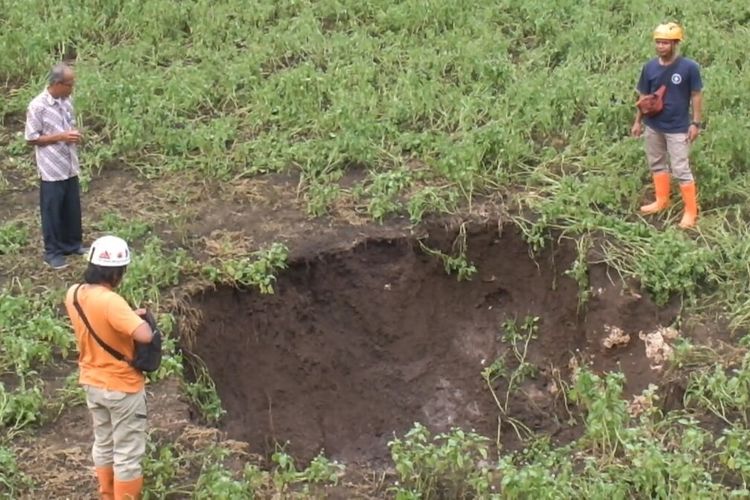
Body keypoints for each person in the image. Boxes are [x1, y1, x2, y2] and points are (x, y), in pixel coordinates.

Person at [64, 235, 154, 500]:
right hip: (122, 387)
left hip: (92, 382)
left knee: (103, 443)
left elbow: (101, 323)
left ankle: (107, 494)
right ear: (116, 273)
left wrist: (125, 318)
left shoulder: (74, 294)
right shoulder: (112, 302)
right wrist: (142, 320)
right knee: (127, 453)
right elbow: (145, 335)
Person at [631, 22, 703, 229]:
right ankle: (662, 200)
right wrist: (638, 121)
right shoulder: (650, 67)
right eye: (658, 42)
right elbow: (643, 97)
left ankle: (691, 211)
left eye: (665, 43)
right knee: (657, 163)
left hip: (678, 127)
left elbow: (696, 95)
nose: (661, 46)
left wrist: (695, 123)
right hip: (653, 125)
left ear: (675, 44)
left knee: (681, 168)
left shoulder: (689, 68)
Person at [25, 62, 86, 269]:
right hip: (51, 168)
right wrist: (61, 136)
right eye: (70, 84)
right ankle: (52, 252)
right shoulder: (38, 106)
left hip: (69, 164)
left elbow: (69, 125)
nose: (72, 88)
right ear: (58, 83)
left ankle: (72, 244)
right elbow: (31, 138)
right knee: (52, 211)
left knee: (71, 207)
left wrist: (73, 135)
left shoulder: (67, 101)